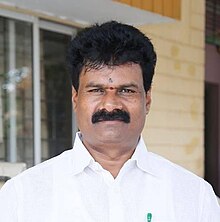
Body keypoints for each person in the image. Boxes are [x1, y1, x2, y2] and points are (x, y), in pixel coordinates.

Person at [0, 21, 219, 222]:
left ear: (147, 99)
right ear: (76, 98)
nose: (111, 105)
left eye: (126, 90)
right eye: (96, 90)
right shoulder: (22, 195)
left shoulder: (195, 196)